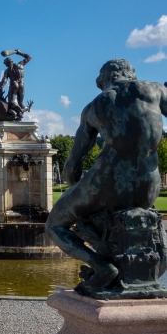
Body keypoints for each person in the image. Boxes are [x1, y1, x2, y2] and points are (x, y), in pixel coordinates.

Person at [46, 59, 167, 295]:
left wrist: (78, 187)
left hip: (107, 182)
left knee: (54, 225)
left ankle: (102, 267)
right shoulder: (155, 89)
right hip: (148, 186)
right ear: (130, 74)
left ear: (103, 80)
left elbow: (72, 165)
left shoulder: (96, 105)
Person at [0, 49, 32, 120]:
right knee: (20, 102)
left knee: (11, 102)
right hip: (22, 84)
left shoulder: (7, 70)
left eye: (5, 64)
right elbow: (29, 57)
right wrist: (20, 53)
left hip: (14, 84)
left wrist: (1, 87)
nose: (5, 65)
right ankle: (20, 115)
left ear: (7, 63)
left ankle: (19, 113)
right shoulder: (20, 65)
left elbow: (4, 80)